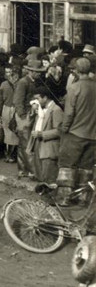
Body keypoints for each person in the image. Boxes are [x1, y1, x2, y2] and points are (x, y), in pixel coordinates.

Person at [56, 57, 96, 202]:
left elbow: (69, 113)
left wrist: (64, 128)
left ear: (77, 71)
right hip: (92, 135)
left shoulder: (74, 87)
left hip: (75, 133)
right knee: (86, 169)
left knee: (67, 166)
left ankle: (63, 198)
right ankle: (83, 198)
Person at [29, 85, 63, 184]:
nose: (36, 101)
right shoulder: (40, 109)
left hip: (49, 149)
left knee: (49, 178)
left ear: (45, 98)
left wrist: (42, 134)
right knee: (41, 177)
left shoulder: (56, 110)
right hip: (39, 147)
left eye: (38, 98)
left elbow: (60, 131)